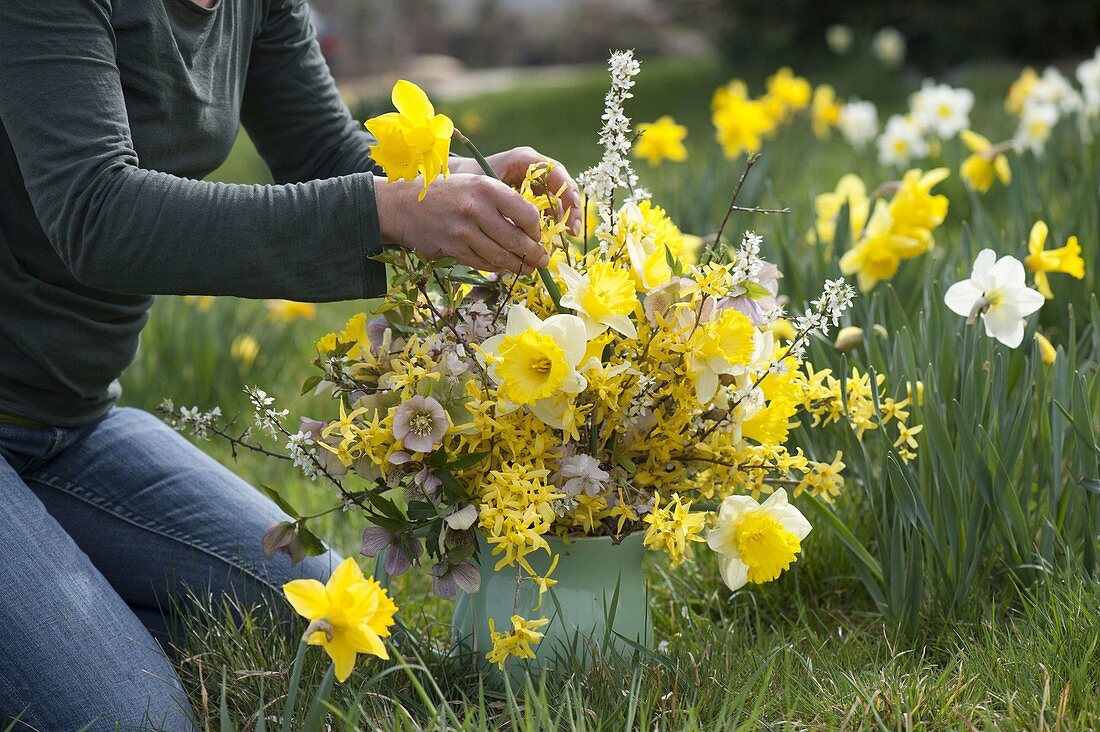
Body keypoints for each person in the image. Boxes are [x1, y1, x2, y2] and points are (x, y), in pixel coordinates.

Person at [0, 0, 580, 728]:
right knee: (134, 718)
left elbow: (322, 153)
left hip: (70, 424)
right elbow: (97, 215)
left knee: (332, 620)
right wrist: (387, 213)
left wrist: (468, 186)